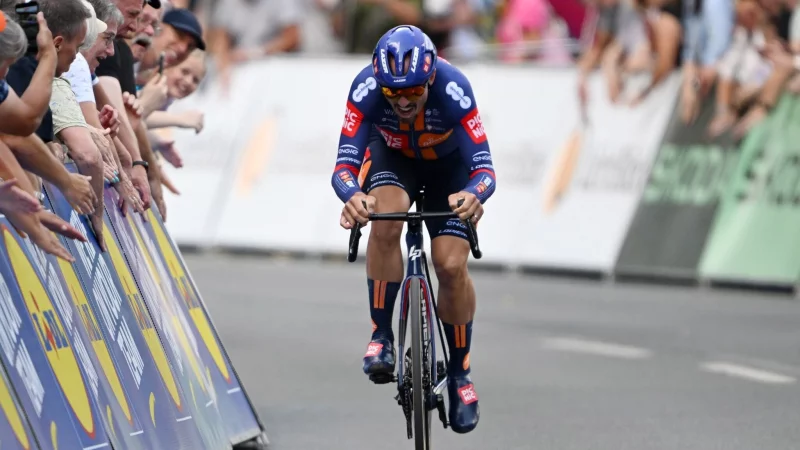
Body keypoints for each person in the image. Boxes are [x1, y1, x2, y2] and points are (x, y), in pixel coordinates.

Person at [330, 25, 496, 435]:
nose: (403, 101)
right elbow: (344, 167)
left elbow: (484, 170)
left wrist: (474, 194)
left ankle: (460, 373)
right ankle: (382, 334)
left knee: (450, 265)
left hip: (448, 169)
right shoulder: (366, 88)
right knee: (385, 218)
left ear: (430, 78)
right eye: (393, 92)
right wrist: (353, 195)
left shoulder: (454, 88)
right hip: (394, 159)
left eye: (414, 91)